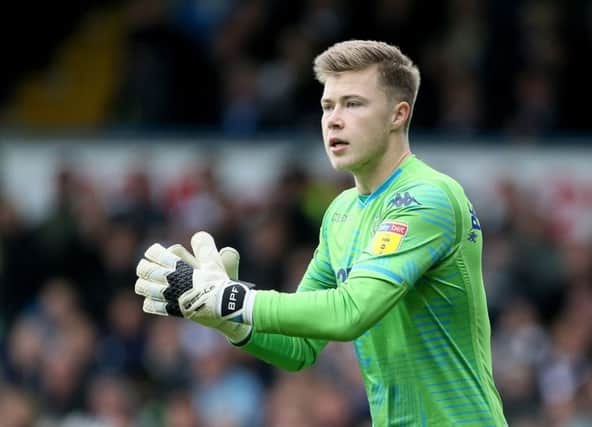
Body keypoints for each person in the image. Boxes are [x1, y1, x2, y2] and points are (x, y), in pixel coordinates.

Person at [135, 40, 507, 426]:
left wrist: (231, 298)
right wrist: (225, 319)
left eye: (354, 104)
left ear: (398, 115)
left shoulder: (429, 197)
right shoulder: (342, 213)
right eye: (328, 106)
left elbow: (351, 311)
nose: (334, 119)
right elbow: (299, 348)